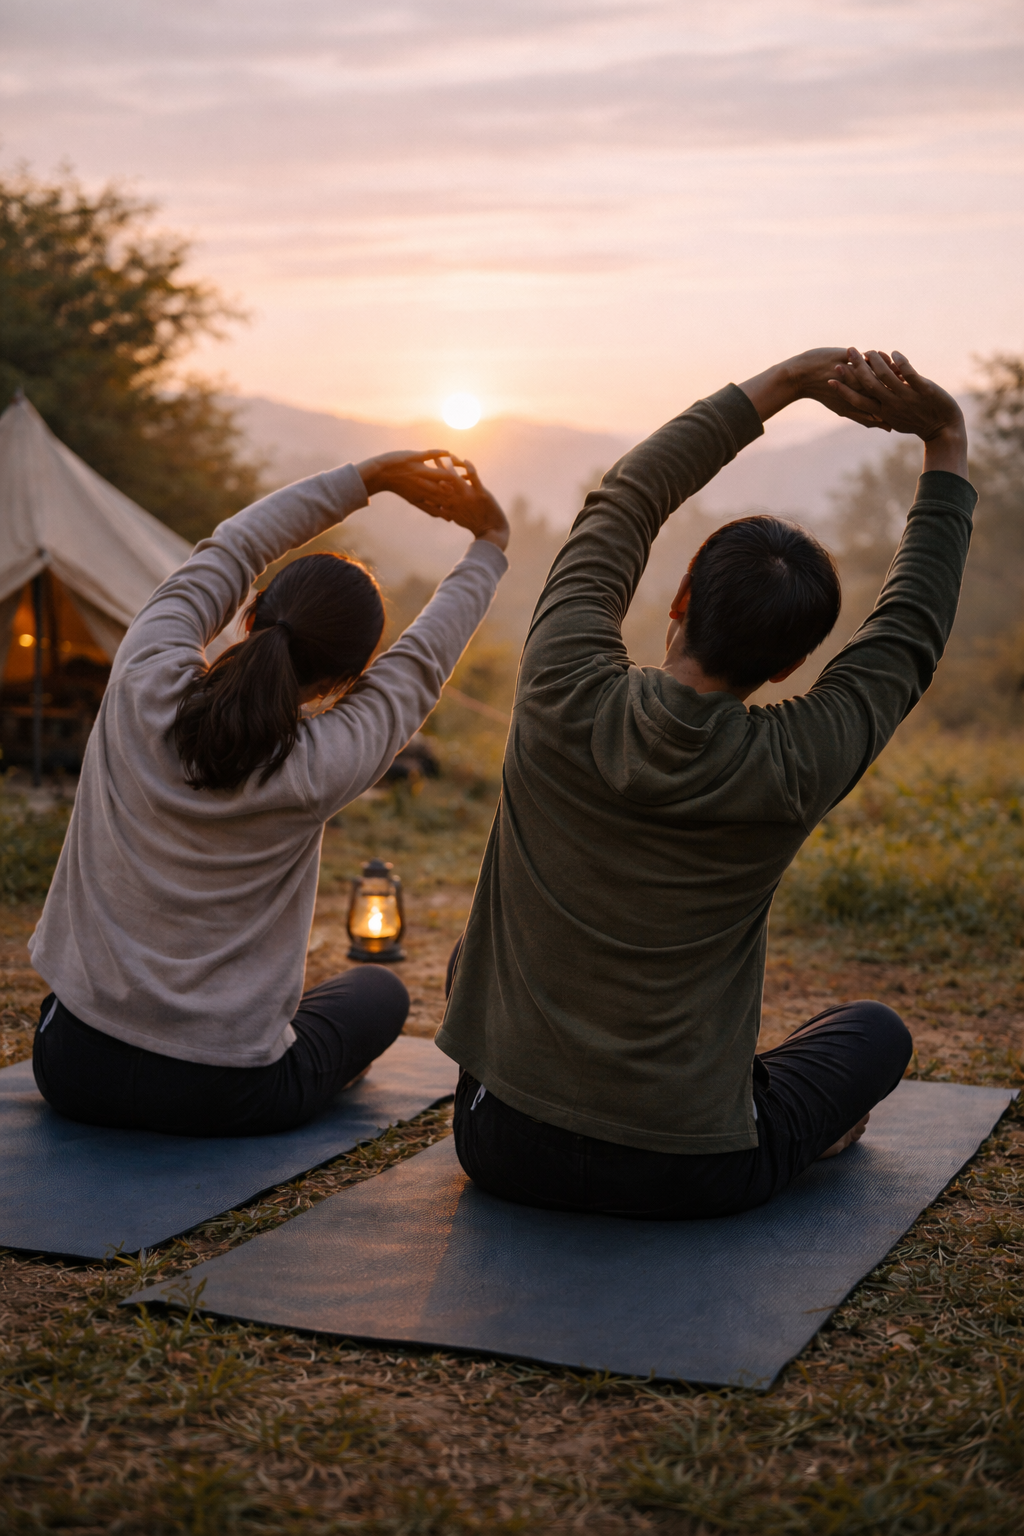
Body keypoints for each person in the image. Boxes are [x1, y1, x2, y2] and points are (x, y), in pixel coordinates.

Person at [437, 346, 974, 1219]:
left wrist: (785, 384)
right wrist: (944, 440)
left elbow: (626, 500)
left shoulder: (561, 684)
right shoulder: (797, 762)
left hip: (501, 1144)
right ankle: (792, 1128)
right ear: (793, 664)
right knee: (874, 1033)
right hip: (687, 1175)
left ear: (681, 594)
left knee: (479, 949)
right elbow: (908, 632)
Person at [30, 448, 509, 1137]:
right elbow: (421, 664)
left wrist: (368, 479)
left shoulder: (142, 679)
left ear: (251, 616)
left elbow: (235, 546)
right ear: (344, 683)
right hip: (228, 1095)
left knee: (362, 995)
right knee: (378, 990)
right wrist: (490, 544)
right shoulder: (321, 765)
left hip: (73, 1066)